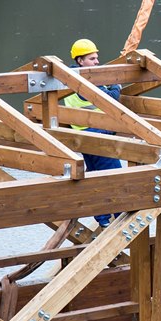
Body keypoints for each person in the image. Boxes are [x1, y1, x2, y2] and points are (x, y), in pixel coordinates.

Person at [64, 38, 123, 228]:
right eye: (92, 58)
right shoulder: (83, 79)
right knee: (115, 179)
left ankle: (103, 219)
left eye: (97, 58)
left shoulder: (68, 76)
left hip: (83, 137)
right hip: (96, 135)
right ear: (80, 61)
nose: (97, 62)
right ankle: (117, 219)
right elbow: (108, 99)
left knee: (96, 177)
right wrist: (116, 85)